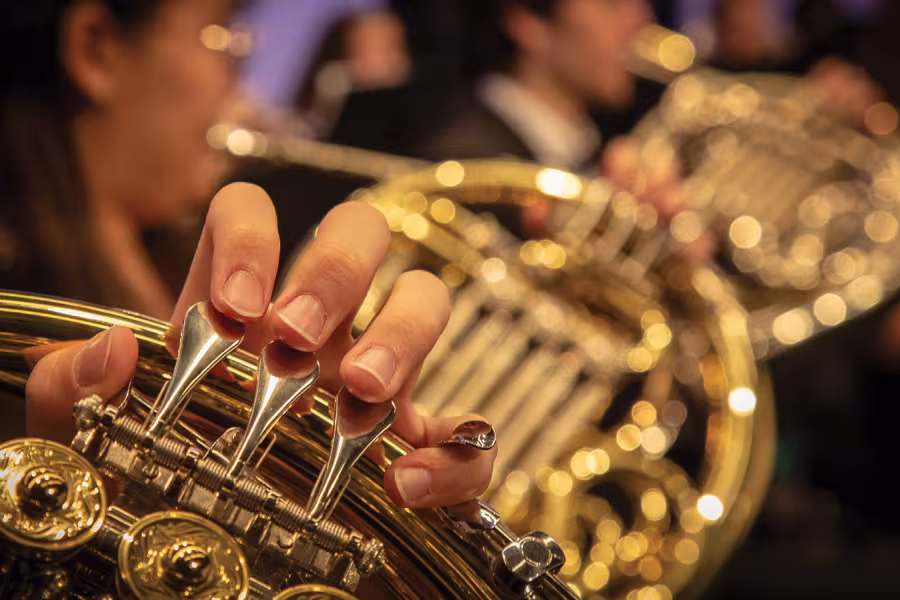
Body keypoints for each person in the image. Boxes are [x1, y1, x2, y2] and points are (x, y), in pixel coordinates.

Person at [1, 0, 494, 511]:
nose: (240, 88)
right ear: (95, 48)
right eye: (225, 38)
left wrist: (321, 481)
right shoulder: (18, 321)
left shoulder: (173, 269)